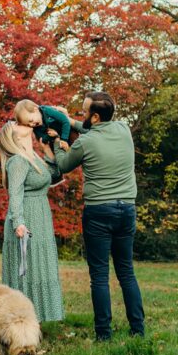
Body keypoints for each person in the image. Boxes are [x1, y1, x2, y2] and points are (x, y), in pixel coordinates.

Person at [49, 91, 144, 341]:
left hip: (99, 212)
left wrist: (57, 143)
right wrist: (70, 120)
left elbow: (64, 165)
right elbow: (90, 129)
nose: (82, 115)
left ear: (96, 116)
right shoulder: (124, 130)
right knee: (126, 272)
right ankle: (138, 330)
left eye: (84, 112)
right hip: (127, 210)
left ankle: (104, 335)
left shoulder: (84, 143)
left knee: (99, 275)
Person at [0, 120, 64, 323]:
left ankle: (38, 319)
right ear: (14, 136)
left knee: (39, 268)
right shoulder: (18, 160)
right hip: (26, 219)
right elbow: (14, 194)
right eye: (17, 124)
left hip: (41, 216)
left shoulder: (32, 156)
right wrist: (18, 222)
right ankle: (20, 321)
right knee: (27, 272)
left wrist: (47, 149)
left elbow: (54, 175)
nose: (24, 124)